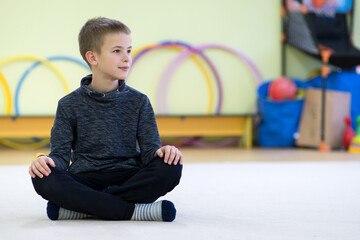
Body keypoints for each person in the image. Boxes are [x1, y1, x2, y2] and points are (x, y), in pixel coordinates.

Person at [29, 17, 183, 222]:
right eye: (117, 51)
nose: (127, 58)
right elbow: (60, 157)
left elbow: (149, 153)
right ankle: (132, 211)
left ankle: (85, 208)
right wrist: (44, 162)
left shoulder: (140, 101)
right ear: (93, 58)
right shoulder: (68, 104)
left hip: (129, 176)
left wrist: (164, 152)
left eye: (129, 50)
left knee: (171, 166)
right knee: (43, 177)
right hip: (85, 179)